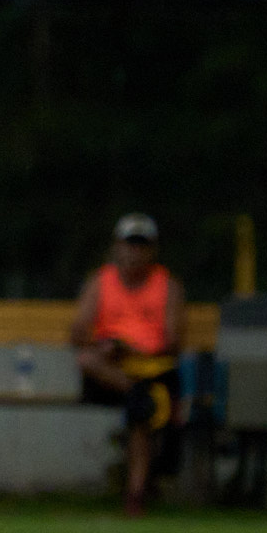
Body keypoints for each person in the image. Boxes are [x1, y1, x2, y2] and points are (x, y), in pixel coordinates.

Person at [70, 214, 185, 517]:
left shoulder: (167, 286)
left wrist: (136, 349)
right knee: (90, 363)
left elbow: (173, 341)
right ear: (117, 248)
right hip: (112, 373)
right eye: (129, 244)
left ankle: (135, 493)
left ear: (152, 250)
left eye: (141, 245)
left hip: (153, 368)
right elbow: (78, 334)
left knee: (139, 407)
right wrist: (108, 345)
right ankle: (137, 392)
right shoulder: (101, 283)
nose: (135, 252)